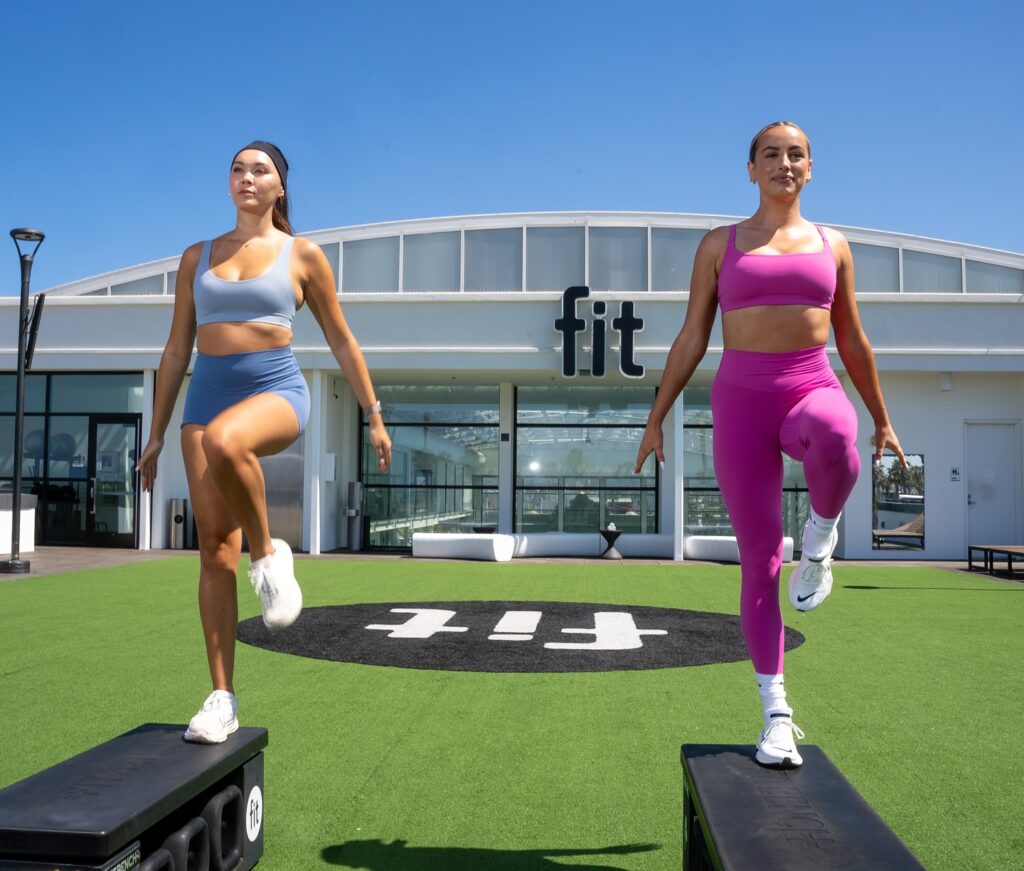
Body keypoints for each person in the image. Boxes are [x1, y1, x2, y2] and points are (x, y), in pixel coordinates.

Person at [634, 121, 905, 768]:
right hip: (742, 402)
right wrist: (656, 416)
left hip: (810, 383)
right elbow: (691, 338)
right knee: (758, 561)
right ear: (750, 169)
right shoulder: (718, 246)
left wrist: (882, 418)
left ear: (811, 168)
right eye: (771, 154)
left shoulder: (833, 245)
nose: (784, 163)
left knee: (837, 433)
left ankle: (819, 540)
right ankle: (776, 712)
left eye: (796, 154)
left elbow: (852, 341)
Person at [137, 141, 392, 744]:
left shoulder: (301, 254)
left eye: (260, 170)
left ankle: (269, 556)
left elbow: (342, 341)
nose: (246, 177)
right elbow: (177, 349)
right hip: (205, 398)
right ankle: (221, 698)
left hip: (276, 390)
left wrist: (374, 415)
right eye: (237, 168)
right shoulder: (196, 256)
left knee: (229, 443)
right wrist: (155, 431)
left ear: (280, 188)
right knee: (211, 552)